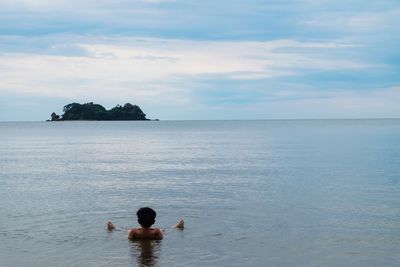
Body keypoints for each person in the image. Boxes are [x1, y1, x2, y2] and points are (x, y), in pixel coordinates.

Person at [107, 207, 184, 240]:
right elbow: (162, 238)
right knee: (164, 230)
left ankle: (114, 228)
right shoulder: (156, 231)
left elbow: (129, 239)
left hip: (137, 233)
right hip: (154, 232)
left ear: (138, 221)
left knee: (126, 231)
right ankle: (176, 227)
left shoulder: (134, 231)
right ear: (154, 222)